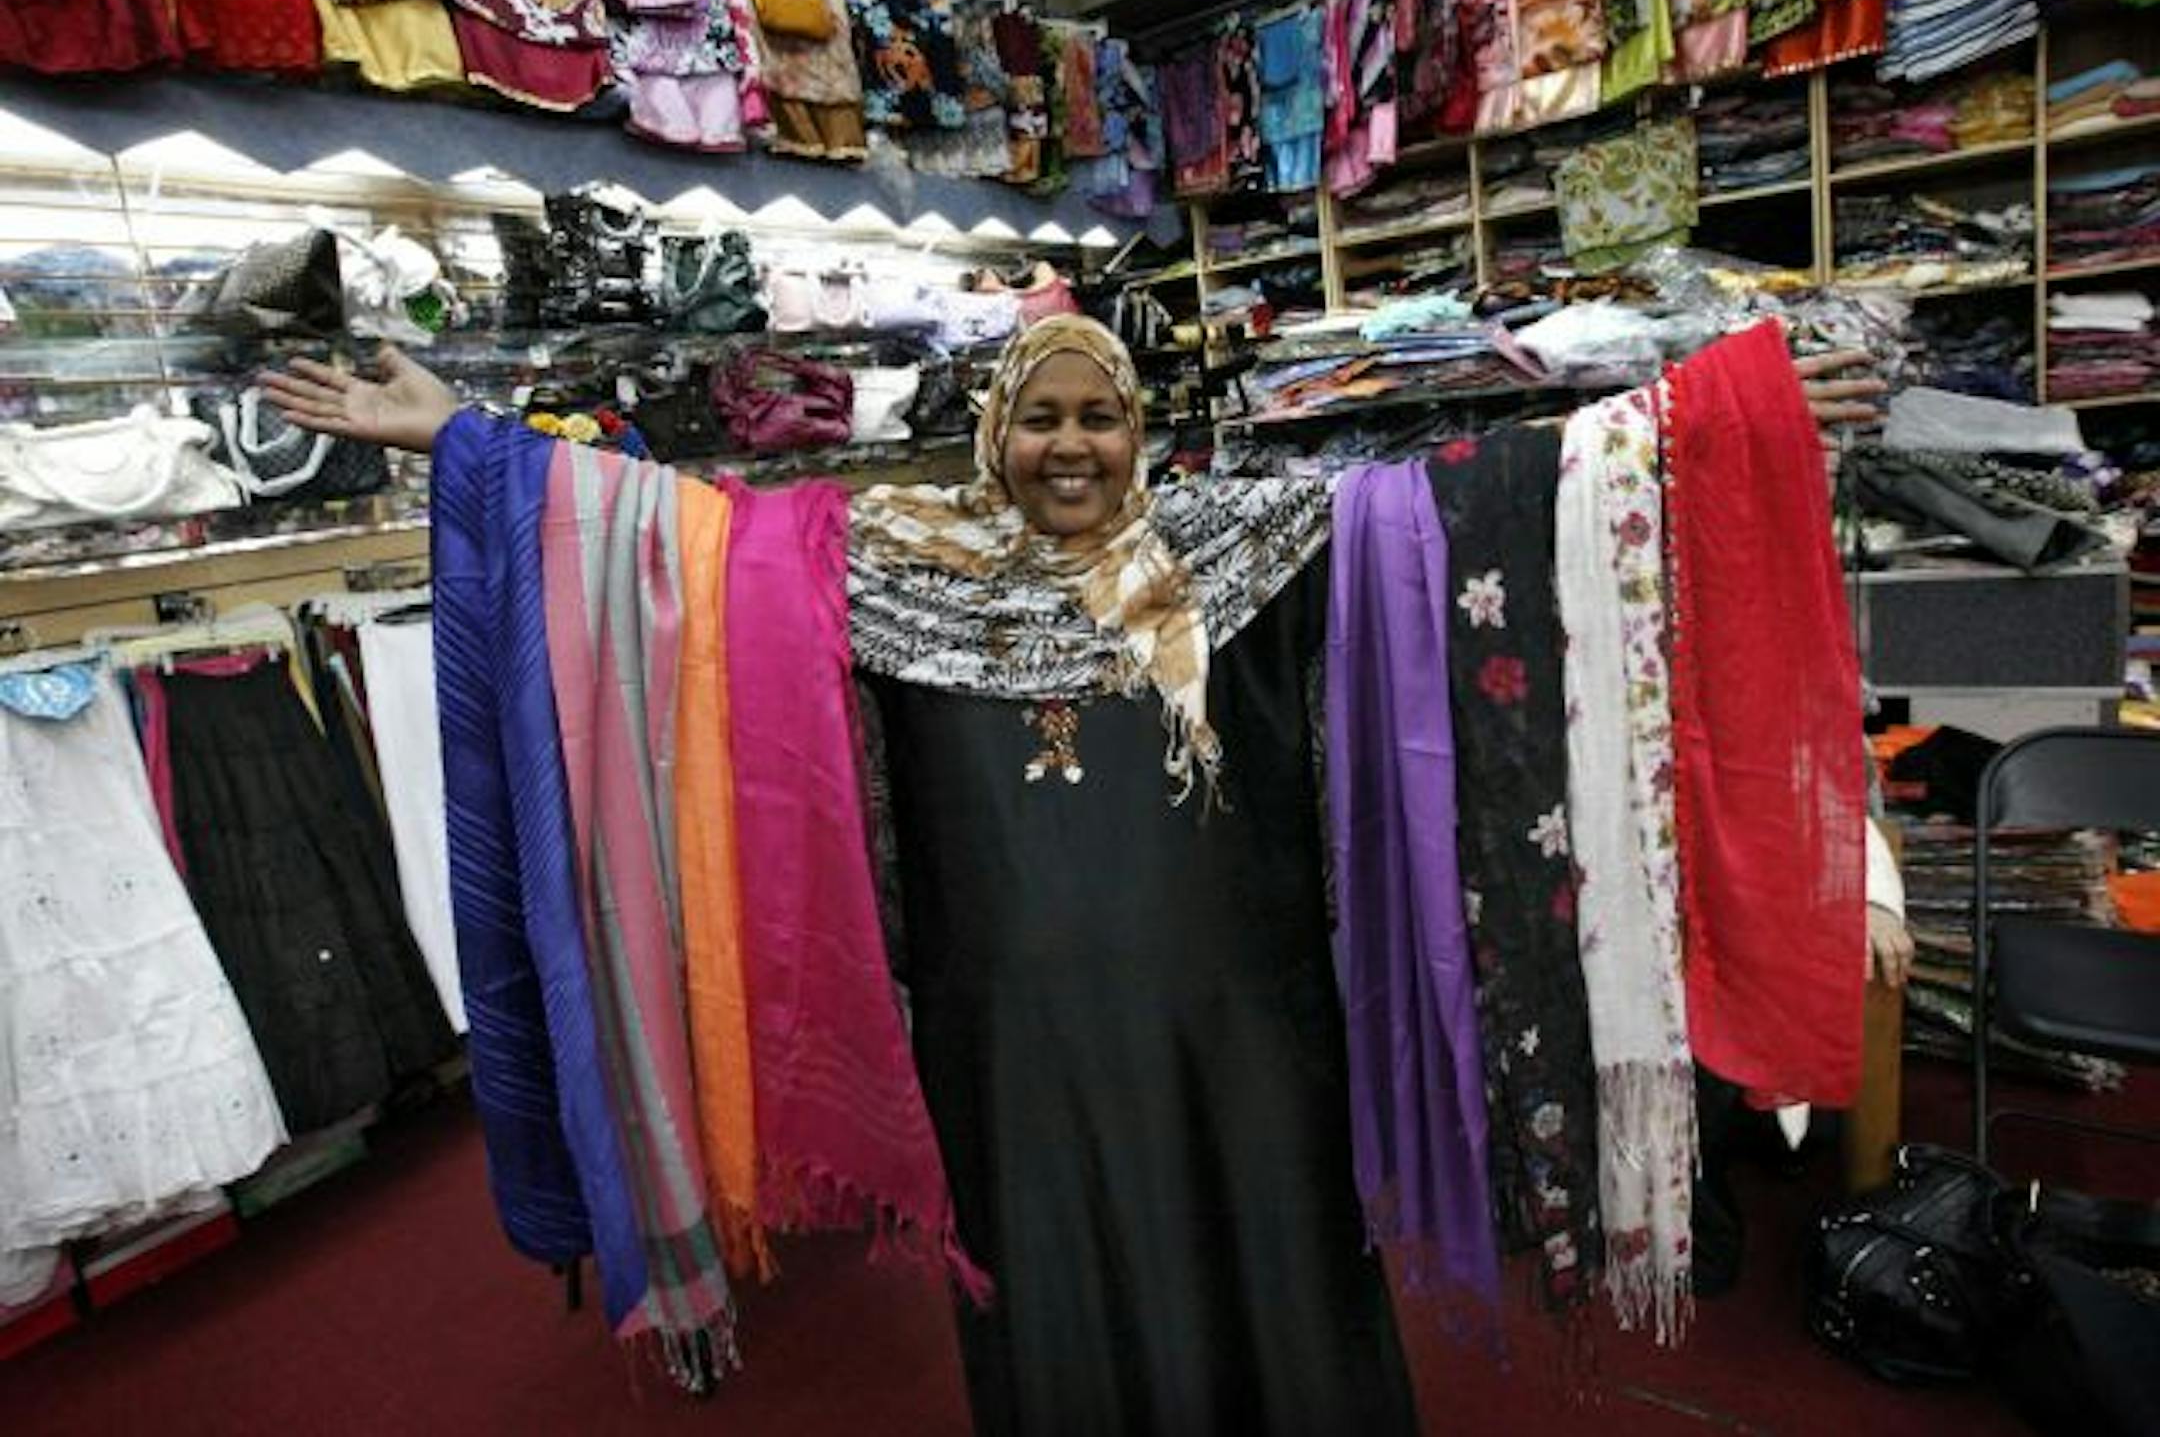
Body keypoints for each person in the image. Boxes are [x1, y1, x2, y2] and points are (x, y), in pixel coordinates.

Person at [263, 321, 1885, 1434]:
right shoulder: (891, 571)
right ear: (995, 434)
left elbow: (1477, 507)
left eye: (1098, 415)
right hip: (1012, 1046)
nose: (1069, 446)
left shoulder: (1248, 549)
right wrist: (461, 438)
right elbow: (677, 539)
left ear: (1139, 432)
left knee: (1275, 1268)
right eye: (1038, 417)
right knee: (1056, 1288)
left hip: (1242, 1029)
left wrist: (1708, 426)